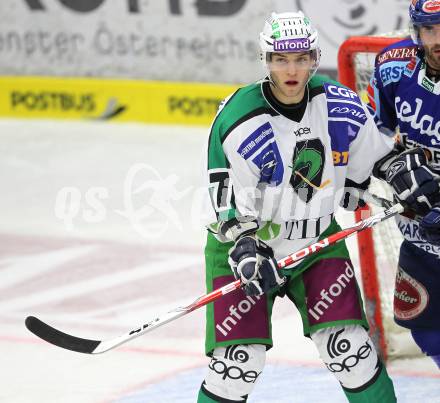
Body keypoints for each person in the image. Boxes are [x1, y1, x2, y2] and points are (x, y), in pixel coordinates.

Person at [197, 11, 397, 403]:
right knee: (236, 367)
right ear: (266, 60)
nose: (291, 69)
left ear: (314, 58)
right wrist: (244, 247)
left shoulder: (339, 104)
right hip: (247, 251)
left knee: (351, 351)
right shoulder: (241, 119)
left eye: (301, 58)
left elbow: (376, 158)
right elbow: (225, 203)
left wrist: (399, 175)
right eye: (280, 59)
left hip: (316, 244)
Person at [366, 0, 440, 368]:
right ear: (416, 31)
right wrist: (393, 165)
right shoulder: (393, 66)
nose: (438, 38)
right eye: (430, 29)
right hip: (420, 226)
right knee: (425, 323)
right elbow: (370, 134)